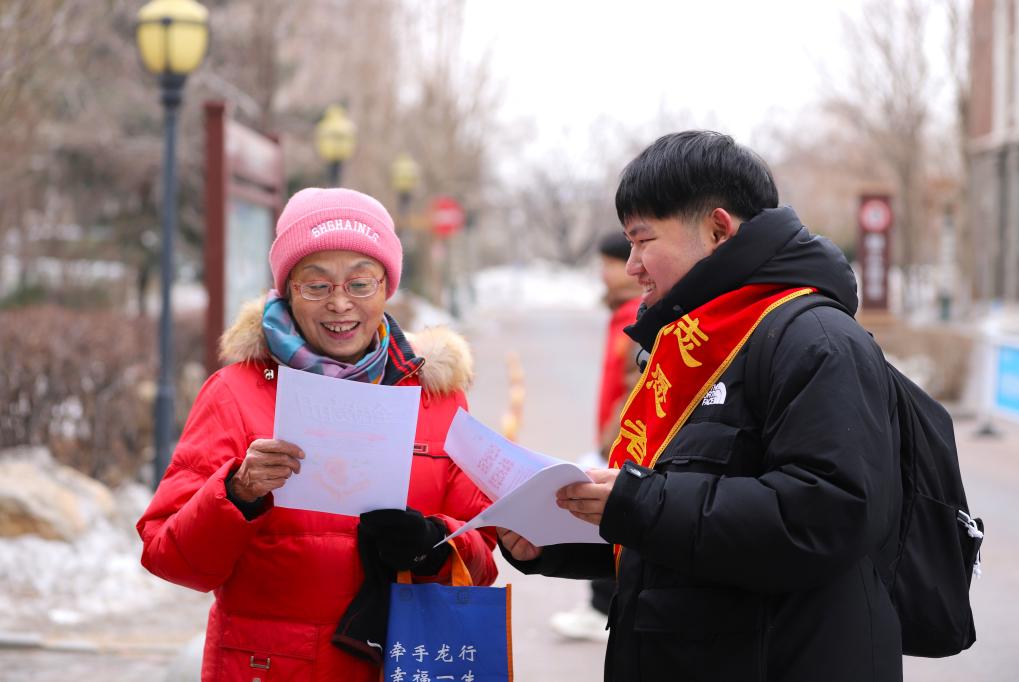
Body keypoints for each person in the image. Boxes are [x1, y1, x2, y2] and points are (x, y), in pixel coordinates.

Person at [499, 131, 902, 681]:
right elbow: (675, 528)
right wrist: (551, 536)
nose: (632, 266)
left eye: (643, 240)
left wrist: (638, 502)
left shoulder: (815, 339)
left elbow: (826, 516)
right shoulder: (689, 342)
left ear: (717, 230)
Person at [137, 187, 497, 681]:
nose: (340, 303)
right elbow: (171, 559)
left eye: (361, 283)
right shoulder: (235, 392)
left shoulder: (436, 396)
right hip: (269, 667)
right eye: (317, 285)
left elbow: (481, 556)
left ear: (387, 287)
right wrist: (236, 493)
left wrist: (431, 545)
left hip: (402, 662)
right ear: (288, 289)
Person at [549, 231, 641, 641]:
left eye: (608, 264)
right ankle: (601, 605)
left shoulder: (640, 315)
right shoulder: (621, 312)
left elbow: (635, 387)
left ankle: (602, 607)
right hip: (613, 437)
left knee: (610, 519)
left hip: (625, 441)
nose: (603, 274)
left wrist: (611, 441)